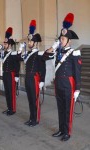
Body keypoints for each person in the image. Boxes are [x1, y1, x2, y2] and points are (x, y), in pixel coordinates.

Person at [43, 13, 81, 141]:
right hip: (58, 84)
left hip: (68, 84)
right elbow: (44, 56)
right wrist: (53, 46)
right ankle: (61, 130)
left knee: (68, 109)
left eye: (63, 39)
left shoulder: (74, 52)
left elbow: (77, 71)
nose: (61, 41)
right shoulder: (57, 51)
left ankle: (67, 132)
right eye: (60, 39)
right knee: (60, 108)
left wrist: (77, 89)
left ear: (69, 41)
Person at [18, 20, 46, 127]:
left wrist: (42, 80)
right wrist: (21, 49)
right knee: (30, 99)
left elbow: (43, 68)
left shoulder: (39, 53)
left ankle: (35, 119)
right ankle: (31, 118)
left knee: (35, 100)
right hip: (28, 78)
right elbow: (18, 58)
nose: (29, 43)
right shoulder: (27, 53)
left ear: (35, 43)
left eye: (30, 42)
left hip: (35, 78)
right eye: (28, 41)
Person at [2, 27, 20, 116]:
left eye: (5, 44)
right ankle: (9, 108)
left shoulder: (13, 53)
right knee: (7, 92)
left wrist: (17, 75)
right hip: (5, 74)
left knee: (11, 92)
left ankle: (12, 109)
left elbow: (17, 65)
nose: (4, 45)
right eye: (4, 43)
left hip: (11, 75)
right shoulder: (4, 53)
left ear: (9, 44)